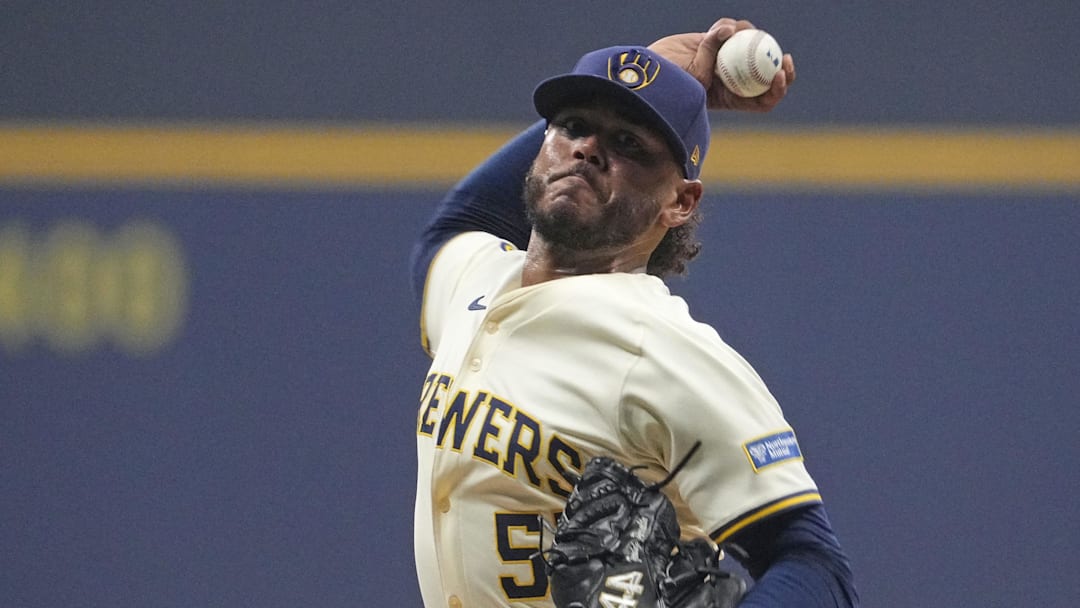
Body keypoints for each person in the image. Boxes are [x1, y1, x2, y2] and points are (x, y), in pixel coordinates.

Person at [408, 17, 858, 608]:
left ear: (680, 201)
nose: (588, 148)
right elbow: (455, 226)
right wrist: (653, 67)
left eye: (629, 145)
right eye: (573, 127)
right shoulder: (474, 279)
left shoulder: (667, 352)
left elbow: (815, 565)